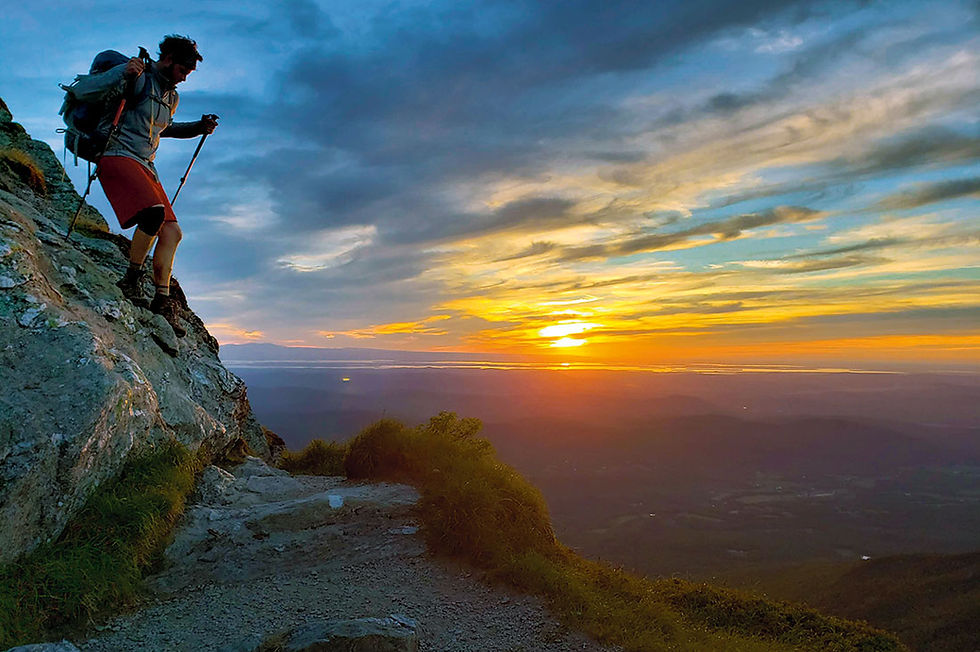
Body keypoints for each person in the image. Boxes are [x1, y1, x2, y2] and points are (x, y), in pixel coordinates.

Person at [75, 34, 218, 337]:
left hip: (144, 163)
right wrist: (125, 76)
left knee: (173, 232)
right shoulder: (138, 77)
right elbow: (100, 93)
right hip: (114, 152)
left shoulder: (171, 97)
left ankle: (162, 301)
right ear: (168, 60)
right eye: (183, 71)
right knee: (152, 214)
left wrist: (198, 128)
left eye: (188, 74)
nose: (184, 79)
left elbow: (162, 129)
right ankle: (131, 278)